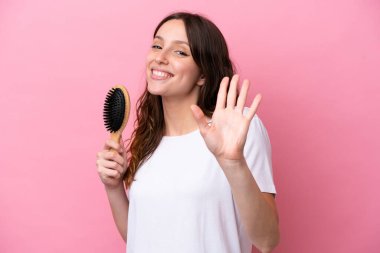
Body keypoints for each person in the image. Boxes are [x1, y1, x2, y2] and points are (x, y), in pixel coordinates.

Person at [96, 12, 279, 253]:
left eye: (179, 52)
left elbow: (267, 240)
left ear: (203, 74)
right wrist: (114, 187)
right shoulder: (149, 142)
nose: (160, 58)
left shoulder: (235, 129)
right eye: (157, 45)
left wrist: (233, 163)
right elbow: (140, 236)